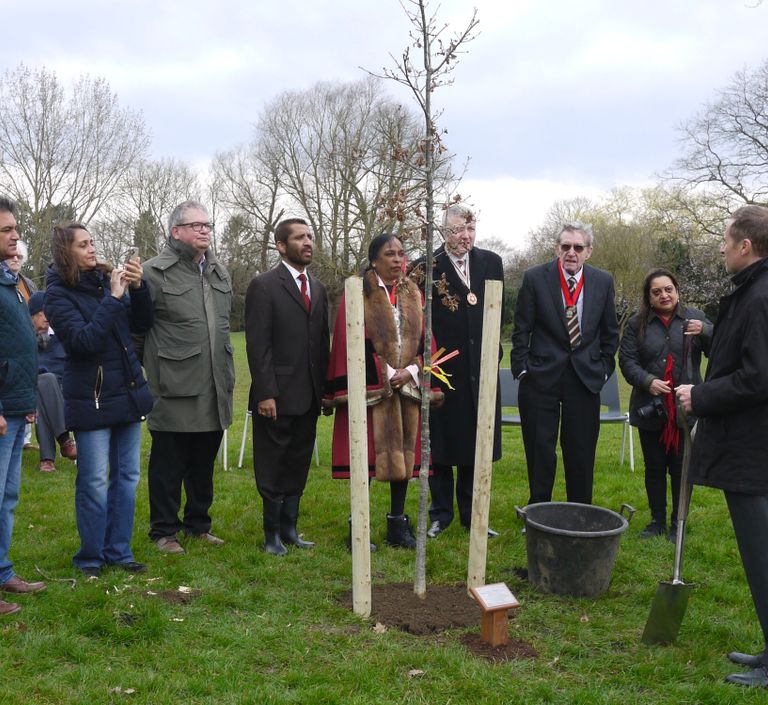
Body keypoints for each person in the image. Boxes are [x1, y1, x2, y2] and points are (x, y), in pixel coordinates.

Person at [677, 205, 768, 688]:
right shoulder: (752, 293)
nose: (721, 247)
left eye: (726, 239)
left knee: (762, 553)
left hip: (753, 450)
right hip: (749, 447)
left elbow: (759, 377)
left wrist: (702, 395)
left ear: (746, 246)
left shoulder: (759, 298)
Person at [45, 223, 154, 578]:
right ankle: (90, 558)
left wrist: (138, 289)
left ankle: (119, 552)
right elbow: (83, 342)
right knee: (93, 481)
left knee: (127, 477)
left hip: (127, 392)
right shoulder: (57, 295)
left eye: (93, 243)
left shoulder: (105, 281)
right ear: (66, 252)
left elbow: (143, 323)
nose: (93, 249)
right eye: (83, 245)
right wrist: (114, 297)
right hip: (90, 399)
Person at [327, 233, 443, 549]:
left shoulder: (414, 294)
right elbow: (345, 342)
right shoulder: (357, 293)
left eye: (401, 253)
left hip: (407, 389)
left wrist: (412, 370)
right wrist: (383, 374)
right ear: (374, 258)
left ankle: (397, 525)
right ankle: (358, 528)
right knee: (364, 458)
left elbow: (427, 341)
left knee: (404, 458)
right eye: (389, 254)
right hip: (371, 390)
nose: (397, 259)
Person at [140, 201, 234, 554]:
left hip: (215, 383)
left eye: (208, 225)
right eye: (196, 225)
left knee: (203, 461)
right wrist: (151, 369)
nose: (204, 230)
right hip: (173, 385)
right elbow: (137, 332)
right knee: (169, 462)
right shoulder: (152, 273)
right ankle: (164, 531)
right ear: (175, 231)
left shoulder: (219, 273)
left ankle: (198, 524)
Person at [408, 205, 504, 539]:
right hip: (444, 369)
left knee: (476, 443)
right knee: (442, 442)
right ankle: (441, 514)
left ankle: (472, 514)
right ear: (444, 231)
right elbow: (418, 321)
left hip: (482, 368)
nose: (465, 236)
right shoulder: (426, 267)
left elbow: (498, 310)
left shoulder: (491, 262)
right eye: (458, 230)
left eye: (470, 229)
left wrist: (494, 353)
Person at [511, 221, 619, 506]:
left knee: (580, 449)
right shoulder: (535, 277)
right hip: (540, 376)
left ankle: (580, 512)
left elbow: (611, 332)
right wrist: (521, 368)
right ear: (557, 248)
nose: (571, 252)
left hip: (585, 378)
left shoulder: (603, 281)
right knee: (540, 448)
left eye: (578, 247)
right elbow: (521, 328)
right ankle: (538, 511)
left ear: (589, 252)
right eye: (566, 246)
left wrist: (605, 367)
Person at [245, 218, 329, 556]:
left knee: (298, 460)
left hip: (308, 394)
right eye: (300, 238)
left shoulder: (319, 288)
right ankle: (271, 535)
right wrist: (266, 392)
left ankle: (291, 528)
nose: (308, 242)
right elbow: (257, 344)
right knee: (273, 462)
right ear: (282, 246)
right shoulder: (264, 286)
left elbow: (322, 342)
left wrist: (325, 390)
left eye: (310, 237)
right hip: (276, 396)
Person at [619, 269, 711, 542]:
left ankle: (677, 524)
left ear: (677, 290)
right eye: (656, 291)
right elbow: (626, 361)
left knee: (681, 469)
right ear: (649, 297)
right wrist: (647, 381)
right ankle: (657, 520)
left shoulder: (695, 318)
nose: (664, 295)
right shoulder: (637, 324)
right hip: (651, 407)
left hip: (685, 409)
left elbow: (721, 347)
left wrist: (705, 331)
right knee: (655, 467)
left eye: (668, 289)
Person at [0, 197, 46, 616]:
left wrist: (25, 402)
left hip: (16, 405)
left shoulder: (12, 281)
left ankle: (2, 572)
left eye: (16, 228)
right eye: (6, 231)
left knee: (8, 496)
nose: (16, 235)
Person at [27, 292, 77, 473]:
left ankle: (47, 459)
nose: (47, 317)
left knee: (43, 387)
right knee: (44, 382)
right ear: (32, 315)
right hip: (30, 389)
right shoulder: (25, 339)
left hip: (66, 388)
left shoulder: (60, 336)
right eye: (42, 313)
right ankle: (64, 440)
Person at [5, 241, 37, 450]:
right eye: (12, 256)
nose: (16, 259)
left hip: (30, 355)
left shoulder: (28, 285)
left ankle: (26, 437)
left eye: (20, 257)